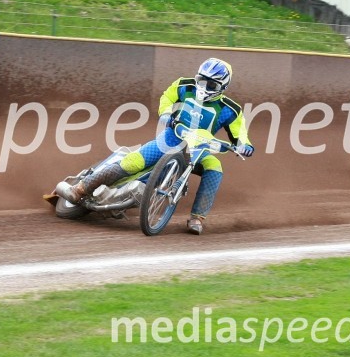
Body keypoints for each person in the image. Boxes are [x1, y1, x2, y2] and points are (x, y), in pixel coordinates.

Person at [56, 58, 254, 235]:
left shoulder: (231, 110)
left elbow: (240, 135)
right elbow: (167, 97)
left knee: (215, 169)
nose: (202, 85)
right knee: (132, 162)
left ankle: (197, 217)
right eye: (200, 79)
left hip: (200, 150)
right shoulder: (184, 85)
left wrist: (245, 146)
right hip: (170, 139)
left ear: (222, 86)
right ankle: (81, 189)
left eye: (210, 83)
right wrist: (166, 112)